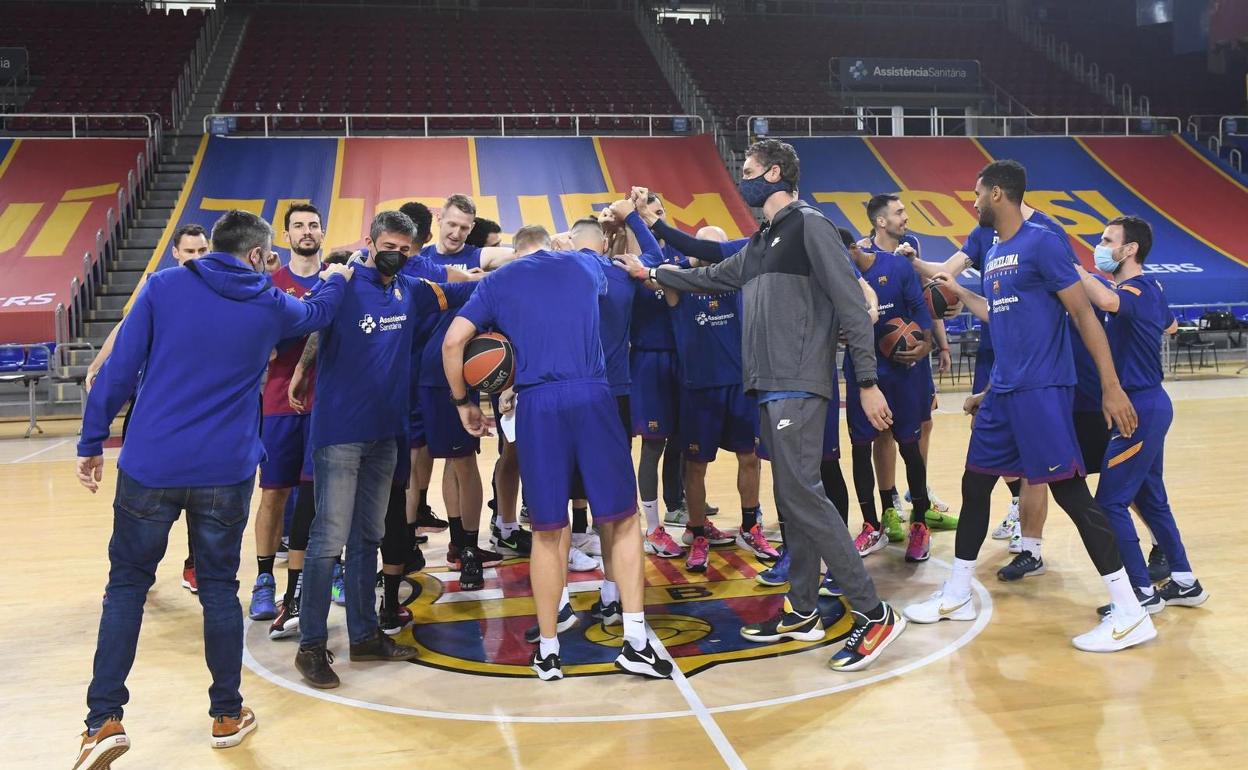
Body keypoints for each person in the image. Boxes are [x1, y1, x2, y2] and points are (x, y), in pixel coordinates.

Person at [71, 211, 352, 769]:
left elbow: (120, 370)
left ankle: (103, 720)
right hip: (225, 472)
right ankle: (226, 714)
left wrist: (90, 441)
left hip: (151, 465)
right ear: (255, 255)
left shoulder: (163, 286)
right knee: (221, 590)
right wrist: (339, 278)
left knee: (126, 588)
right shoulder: (269, 303)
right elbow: (318, 311)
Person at [614, 139, 905, 672]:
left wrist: (866, 380)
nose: (741, 179)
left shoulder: (808, 225)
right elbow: (712, 276)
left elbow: (851, 304)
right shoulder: (765, 238)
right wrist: (653, 273)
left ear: (773, 173)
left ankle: (874, 611)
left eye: (747, 171)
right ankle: (802, 607)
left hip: (800, 381)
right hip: (768, 384)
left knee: (806, 499)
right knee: (792, 501)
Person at [904, 160, 1154, 653]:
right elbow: (1001, 320)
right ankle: (957, 592)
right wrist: (985, 382)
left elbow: (1082, 312)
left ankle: (1130, 611)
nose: (972, 203)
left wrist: (1109, 386)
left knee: (1071, 495)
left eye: (976, 194)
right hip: (1004, 393)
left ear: (998, 194)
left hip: (1043, 391)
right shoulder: (996, 253)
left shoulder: (1043, 242)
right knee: (975, 486)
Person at [442, 228, 673, 682]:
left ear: (518, 249)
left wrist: (464, 402)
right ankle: (636, 640)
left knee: (548, 530)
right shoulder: (585, 265)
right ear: (553, 243)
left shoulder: (496, 282)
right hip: (592, 394)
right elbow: (640, 265)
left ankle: (548, 651)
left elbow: (452, 344)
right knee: (622, 520)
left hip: (537, 405)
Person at [294, 211, 475, 689]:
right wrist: (302, 368)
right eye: (390, 244)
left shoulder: (412, 289)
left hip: (387, 433)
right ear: (371, 242)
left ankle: (364, 634)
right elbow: (309, 322)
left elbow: (465, 290)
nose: (397, 254)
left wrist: (518, 266)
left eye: (406, 249)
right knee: (328, 538)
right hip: (338, 433)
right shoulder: (343, 282)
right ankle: (311, 644)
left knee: (367, 537)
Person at [1074, 216, 1208, 613]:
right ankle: (1184, 581)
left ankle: (1140, 595)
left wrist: (1072, 268)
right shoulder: (1152, 290)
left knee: (1110, 503)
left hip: (1137, 408)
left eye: (1106, 240)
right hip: (1149, 403)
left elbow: (1109, 301)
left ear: (1129, 249)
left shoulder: (1137, 287)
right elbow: (1170, 327)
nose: (1100, 247)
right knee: (1151, 500)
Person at [85, 224, 211, 596]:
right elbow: (125, 329)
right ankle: (131, 570)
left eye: (203, 251)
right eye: (190, 252)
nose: (197, 258)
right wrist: (97, 364)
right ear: (175, 253)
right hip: (152, 409)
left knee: (201, 498)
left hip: (200, 410)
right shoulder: (159, 287)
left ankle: (196, 566)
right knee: (139, 495)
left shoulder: (220, 290)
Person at [416, 195, 516, 581]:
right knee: (415, 463)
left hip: (457, 377)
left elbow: (515, 254)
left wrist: (551, 244)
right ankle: (409, 543)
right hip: (416, 373)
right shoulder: (419, 257)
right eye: (452, 224)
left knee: (461, 462)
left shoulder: (478, 256)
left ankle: (467, 546)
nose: (457, 232)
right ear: (440, 219)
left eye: (465, 227)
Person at [844, 195, 937, 564]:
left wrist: (925, 344)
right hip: (861, 375)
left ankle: (920, 524)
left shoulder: (897, 267)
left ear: (852, 249)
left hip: (902, 372)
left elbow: (918, 310)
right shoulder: (836, 280)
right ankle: (874, 522)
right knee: (861, 447)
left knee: (910, 446)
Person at [249, 203, 327, 623]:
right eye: (299, 225)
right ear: (286, 235)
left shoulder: (338, 279)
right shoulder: (270, 285)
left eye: (313, 224)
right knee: (274, 492)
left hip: (328, 403)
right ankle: (264, 580)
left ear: (323, 231)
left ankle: (327, 570)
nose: (307, 231)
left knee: (325, 496)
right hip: (279, 402)